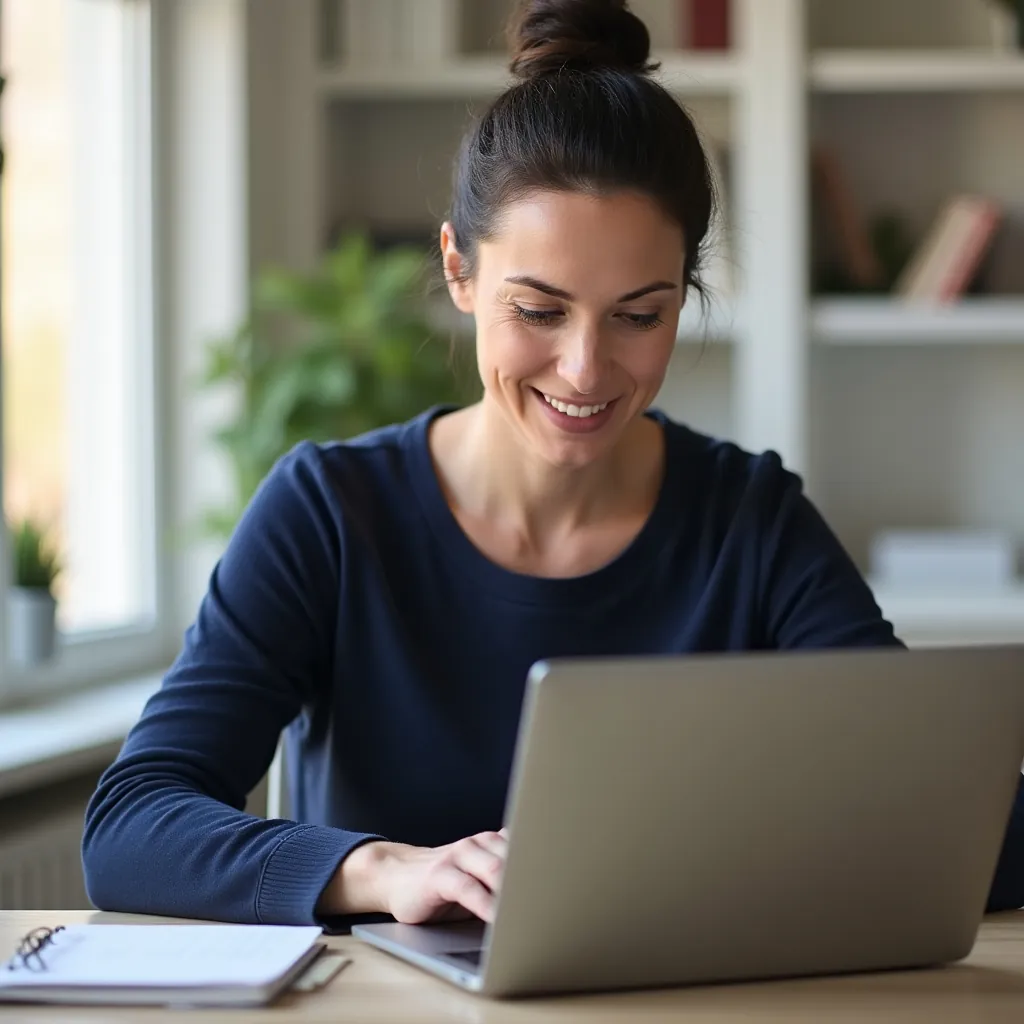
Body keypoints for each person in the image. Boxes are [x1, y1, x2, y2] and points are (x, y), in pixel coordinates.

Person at [82, 0, 1024, 929]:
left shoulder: (749, 520)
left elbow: (964, 823)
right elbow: (130, 825)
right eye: (539, 310)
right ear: (459, 272)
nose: (585, 370)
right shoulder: (330, 511)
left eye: (640, 314)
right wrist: (381, 870)